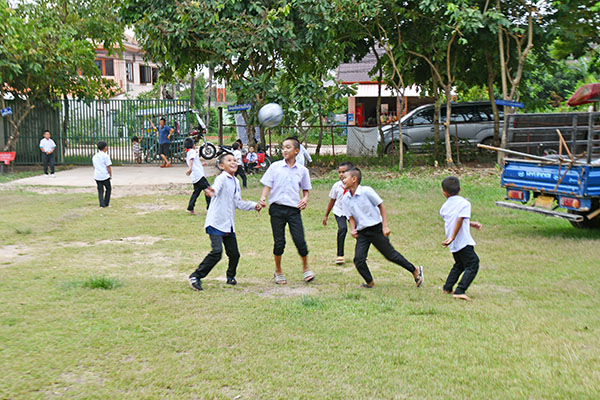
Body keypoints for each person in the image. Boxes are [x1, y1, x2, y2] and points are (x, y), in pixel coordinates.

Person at [188, 153, 262, 291]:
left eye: (234, 160)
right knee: (217, 252)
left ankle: (230, 276)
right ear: (222, 166)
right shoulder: (222, 177)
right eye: (229, 160)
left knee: (234, 254)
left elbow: (237, 203)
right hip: (216, 223)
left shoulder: (236, 181)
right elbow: (216, 187)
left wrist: (254, 205)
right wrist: (212, 191)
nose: (233, 162)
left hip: (228, 225)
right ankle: (195, 276)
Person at [342, 167, 424, 288]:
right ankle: (370, 283)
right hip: (362, 232)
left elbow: (381, 206)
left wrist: (385, 226)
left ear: (354, 179)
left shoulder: (366, 191)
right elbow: (351, 217)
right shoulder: (346, 198)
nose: (342, 180)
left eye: (345, 178)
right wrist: (352, 229)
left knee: (390, 255)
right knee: (358, 260)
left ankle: (415, 270)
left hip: (376, 228)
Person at [259, 136, 314, 284]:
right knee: (279, 242)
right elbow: (267, 185)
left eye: (288, 147)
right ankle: (278, 271)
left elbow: (306, 190)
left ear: (297, 151)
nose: (284, 150)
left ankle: (306, 268)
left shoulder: (302, 170)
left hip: (293, 210)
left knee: (300, 240)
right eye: (283, 147)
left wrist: (305, 199)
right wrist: (263, 198)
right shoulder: (275, 167)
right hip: (276, 209)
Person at [440, 176, 482, 301]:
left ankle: (447, 288)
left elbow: (456, 219)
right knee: (473, 263)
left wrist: (470, 223)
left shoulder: (444, 207)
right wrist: (453, 237)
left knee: (459, 265)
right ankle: (460, 290)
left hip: (452, 242)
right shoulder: (465, 203)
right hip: (462, 240)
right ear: (460, 189)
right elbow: (459, 219)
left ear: (444, 192)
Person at [323, 161, 354, 264]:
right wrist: (326, 215)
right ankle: (340, 255)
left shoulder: (354, 185)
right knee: (342, 229)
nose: (341, 175)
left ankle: (362, 254)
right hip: (339, 211)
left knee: (358, 231)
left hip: (351, 212)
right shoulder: (336, 186)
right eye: (339, 172)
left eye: (344, 172)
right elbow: (332, 201)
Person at [184, 137, 211, 215]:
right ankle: (210, 208)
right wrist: (190, 169)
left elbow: (194, 162)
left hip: (195, 177)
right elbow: (192, 160)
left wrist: (202, 164)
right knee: (208, 190)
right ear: (193, 145)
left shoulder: (188, 153)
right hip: (199, 176)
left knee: (196, 192)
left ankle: (190, 208)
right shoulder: (192, 152)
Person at [92, 141, 112, 208]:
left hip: (97, 175)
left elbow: (94, 166)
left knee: (100, 190)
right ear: (105, 147)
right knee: (108, 189)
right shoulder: (105, 156)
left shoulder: (95, 156)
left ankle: (101, 204)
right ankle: (106, 203)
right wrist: (110, 174)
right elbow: (108, 166)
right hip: (105, 175)